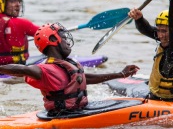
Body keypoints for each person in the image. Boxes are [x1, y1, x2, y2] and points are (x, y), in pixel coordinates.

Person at [0, 22, 139, 116]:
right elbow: (23, 69)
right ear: (54, 41)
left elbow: (85, 78)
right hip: (62, 116)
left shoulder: (67, 64)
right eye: (64, 38)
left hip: (78, 111)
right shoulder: (45, 70)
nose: (67, 41)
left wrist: (120, 74)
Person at [128, 0, 173, 101]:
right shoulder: (163, 38)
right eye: (158, 30)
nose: (160, 35)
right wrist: (139, 19)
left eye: (164, 31)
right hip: (156, 96)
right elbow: (146, 29)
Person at [0, 0, 39, 65]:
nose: (18, 5)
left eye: (19, 1)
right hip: (15, 69)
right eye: (12, 1)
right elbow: (46, 33)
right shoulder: (21, 23)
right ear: (2, 3)